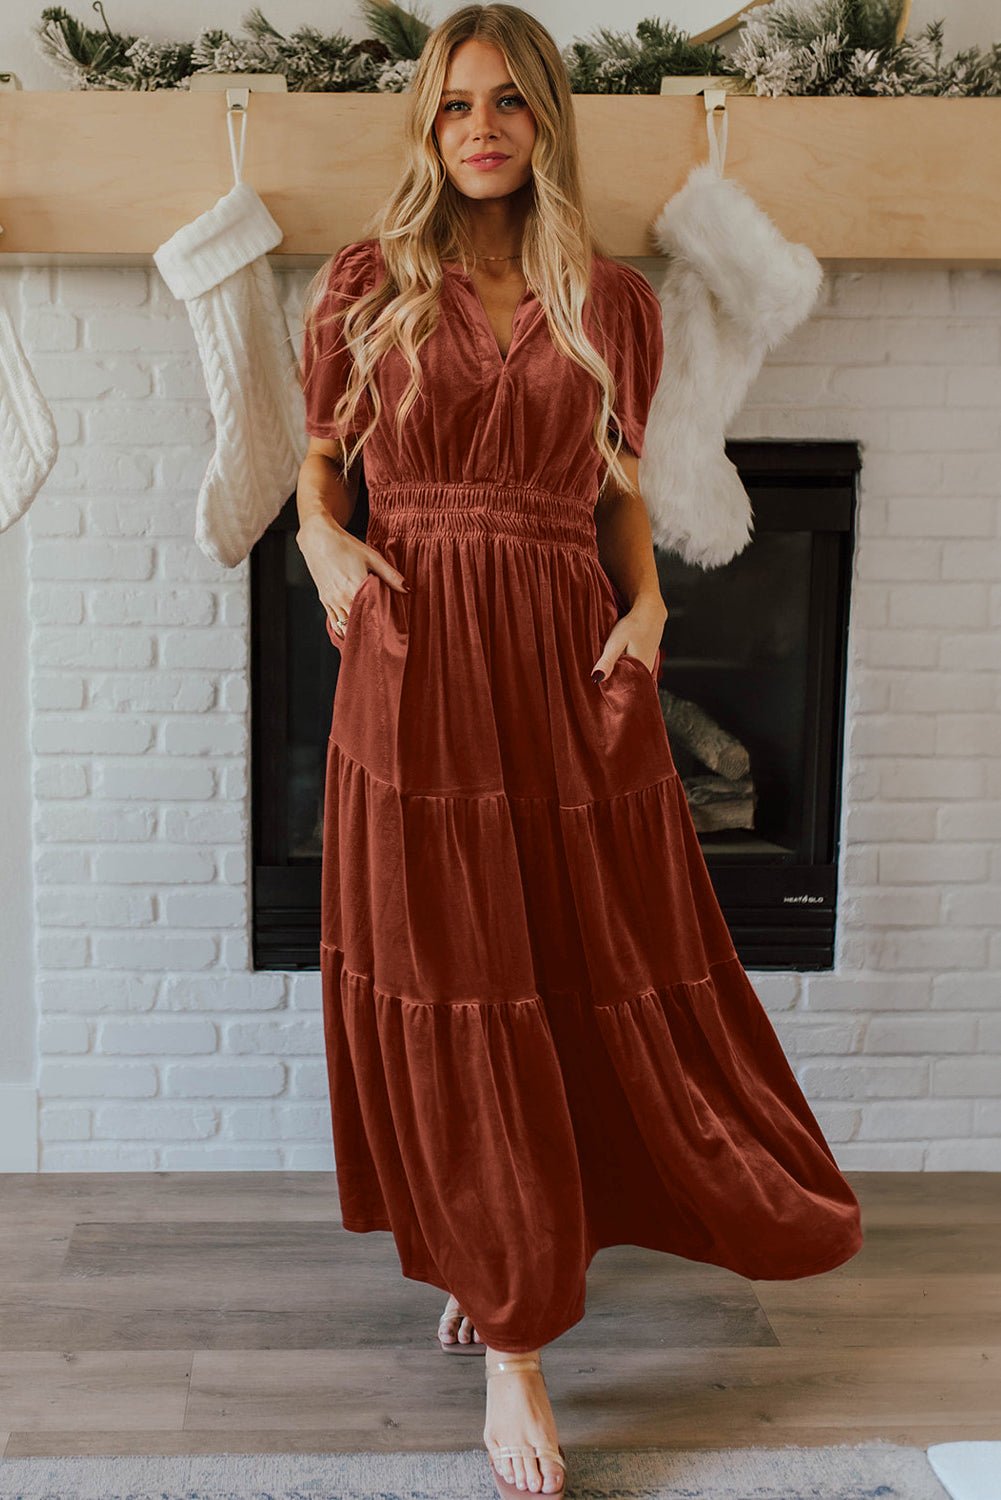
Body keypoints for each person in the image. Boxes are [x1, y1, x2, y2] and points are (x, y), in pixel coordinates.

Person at [295, 6, 864, 1496]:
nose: (479, 128)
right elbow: (319, 464)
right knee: (452, 970)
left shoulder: (612, 301)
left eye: (507, 102)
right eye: (453, 104)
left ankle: (507, 1249)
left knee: (566, 959)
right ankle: (515, 1336)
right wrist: (321, 542)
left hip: (565, 651)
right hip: (417, 653)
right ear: (426, 127)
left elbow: (618, 490)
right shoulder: (366, 284)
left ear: (546, 120)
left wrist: (653, 604)